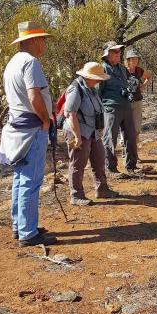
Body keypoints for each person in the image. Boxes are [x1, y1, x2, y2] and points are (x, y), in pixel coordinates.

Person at [0, 21, 57, 248]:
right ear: (33, 40)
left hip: (18, 128)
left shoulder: (12, 62)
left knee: (20, 179)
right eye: (42, 39)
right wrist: (45, 120)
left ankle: (19, 226)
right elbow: (34, 97)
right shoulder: (31, 62)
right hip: (32, 128)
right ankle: (28, 232)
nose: (44, 44)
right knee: (31, 181)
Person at [63, 62, 118, 206]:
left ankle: (102, 189)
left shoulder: (92, 88)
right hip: (79, 131)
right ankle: (76, 195)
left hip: (93, 132)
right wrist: (77, 136)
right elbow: (70, 115)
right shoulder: (75, 89)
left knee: (99, 159)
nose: (99, 80)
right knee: (78, 164)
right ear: (88, 76)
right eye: (97, 78)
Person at [99, 41, 140, 177]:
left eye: (119, 51)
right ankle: (111, 168)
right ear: (107, 54)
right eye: (115, 52)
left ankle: (131, 166)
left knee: (131, 137)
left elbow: (127, 84)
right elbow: (98, 92)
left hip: (126, 106)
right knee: (110, 138)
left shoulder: (122, 68)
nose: (119, 53)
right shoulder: (102, 69)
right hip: (110, 108)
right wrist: (99, 114)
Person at [124, 47, 151, 151]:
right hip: (126, 102)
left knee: (136, 128)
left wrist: (143, 86)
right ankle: (125, 152)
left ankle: (134, 152)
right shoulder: (123, 71)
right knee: (126, 128)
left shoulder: (139, 70)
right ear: (128, 60)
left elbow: (149, 77)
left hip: (138, 101)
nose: (135, 61)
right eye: (132, 59)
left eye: (136, 59)